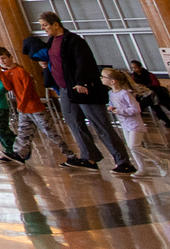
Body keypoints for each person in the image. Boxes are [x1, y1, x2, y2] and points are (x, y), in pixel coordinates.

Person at [37, 10, 135, 173]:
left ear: (55, 24)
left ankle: (123, 161)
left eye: (45, 25)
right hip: (65, 90)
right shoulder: (51, 41)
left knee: (101, 124)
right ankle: (89, 157)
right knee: (74, 123)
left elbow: (85, 62)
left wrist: (81, 82)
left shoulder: (73, 40)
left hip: (81, 89)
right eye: (41, 26)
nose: (44, 29)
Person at [0, 46, 68, 162]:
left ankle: (69, 154)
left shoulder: (21, 71)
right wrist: (1, 74)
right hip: (24, 109)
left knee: (49, 132)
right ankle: (19, 155)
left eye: (3, 58)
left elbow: (27, 89)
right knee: (23, 132)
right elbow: (8, 87)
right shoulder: (8, 73)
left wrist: (22, 104)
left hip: (34, 107)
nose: (1, 61)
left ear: (10, 57)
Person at [104, 67, 163, 174]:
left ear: (113, 81)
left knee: (134, 146)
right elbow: (113, 105)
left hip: (134, 124)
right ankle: (142, 169)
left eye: (103, 77)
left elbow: (136, 109)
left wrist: (120, 111)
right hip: (125, 124)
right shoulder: (111, 93)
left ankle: (159, 161)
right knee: (132, 148)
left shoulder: (125, 93)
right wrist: (111, 108)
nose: (101, 78)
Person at [127, 60, 170, 129]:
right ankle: (168, 122)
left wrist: (146, 88)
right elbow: (134, 85)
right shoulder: (133, 76)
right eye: (133, 68)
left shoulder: (149, 75)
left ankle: (138, 122)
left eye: (135, 67)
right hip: (142, 94)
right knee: (155, 108)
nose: (134, 69)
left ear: (140, 67)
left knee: (144, 106)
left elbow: (156, 85)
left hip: (152, 94)